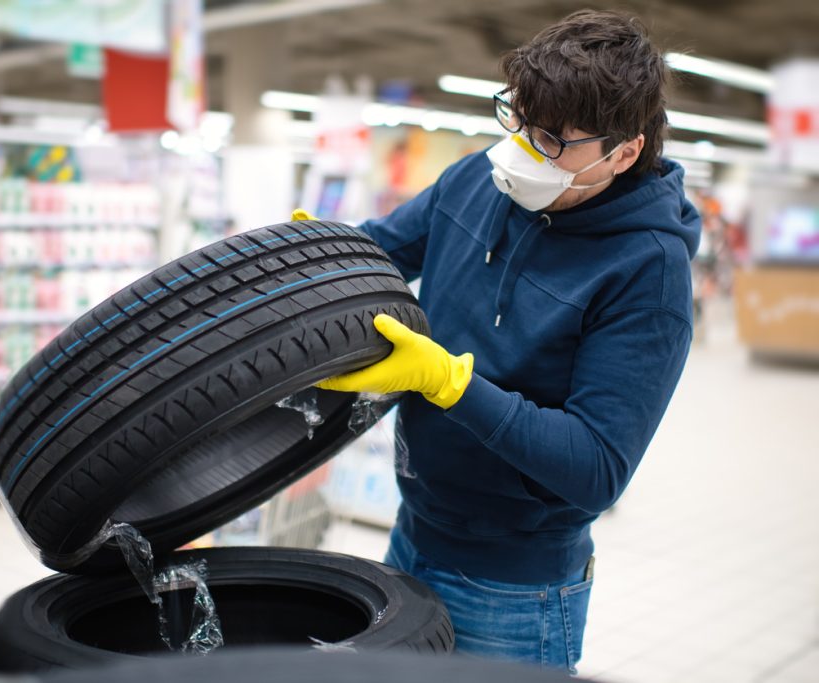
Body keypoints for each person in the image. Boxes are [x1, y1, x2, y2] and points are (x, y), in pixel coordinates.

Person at [298, 9, 701, 673]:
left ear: (624, 152)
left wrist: (449, 384)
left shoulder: (648, 272)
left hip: (515, 589)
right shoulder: (474, 181)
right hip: (412, 534)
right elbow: (381, 252)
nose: (521, 149)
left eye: (550, 140)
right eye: (517, 119)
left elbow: (596, 467)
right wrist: (310, 256)